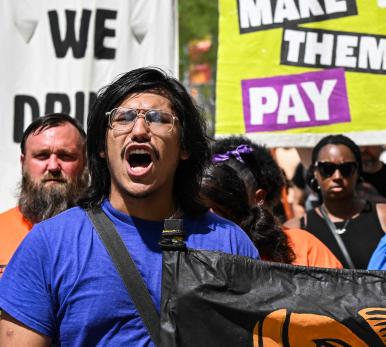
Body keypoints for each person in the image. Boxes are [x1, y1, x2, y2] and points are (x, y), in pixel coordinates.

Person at [0, 68, 258, 345]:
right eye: (123, 118)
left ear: (184, 147)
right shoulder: (50, 245)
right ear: (101, 146)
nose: (139, 131)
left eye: (158, 119)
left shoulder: (230, 244)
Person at [204, 137, 342, 268]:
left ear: (258, 198)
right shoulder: (193, 242)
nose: (210, 213)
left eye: (221, 201)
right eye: (204, 203)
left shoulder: (303, 246)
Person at [285, 135, 386, 269]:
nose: (337, 176)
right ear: (314, 173)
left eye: (346, 169)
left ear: (358, 172)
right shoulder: (295, 228)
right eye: (327, 169)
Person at [0, 113, 88, 273]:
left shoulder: (103, 235)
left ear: (85, 163)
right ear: (23, 163)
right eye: (42, 156)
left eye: (65, 156)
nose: (53, 166)